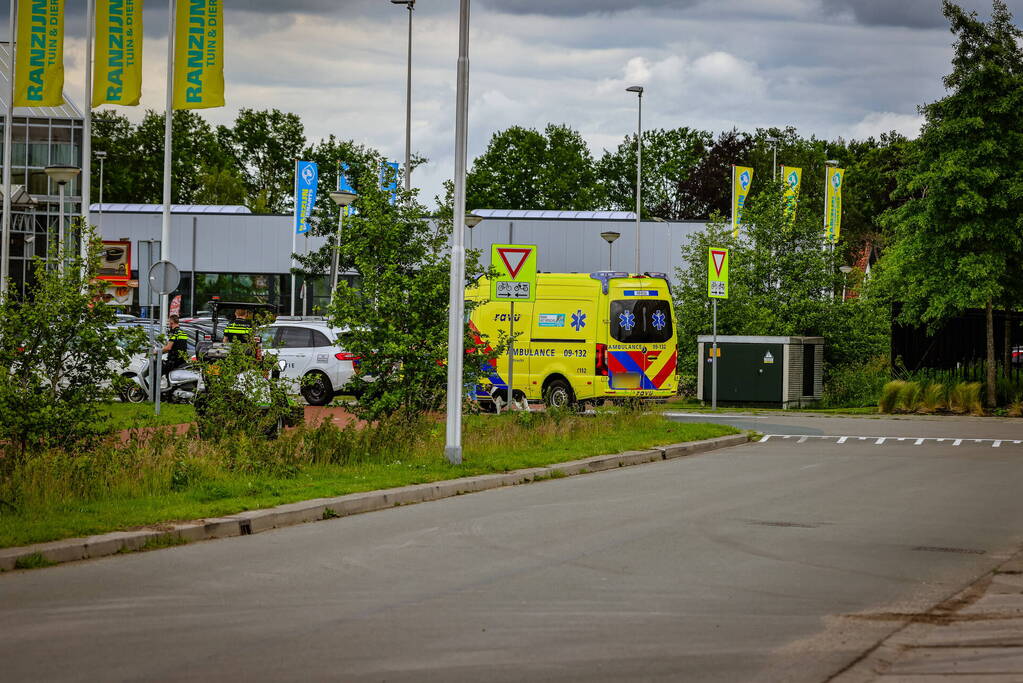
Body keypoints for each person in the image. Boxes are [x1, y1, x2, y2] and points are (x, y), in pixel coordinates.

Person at [161, 315, 189, 380]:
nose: (168, 324)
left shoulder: (174, 333)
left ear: (171, 322)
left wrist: (157, 351)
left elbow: (168, 348)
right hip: (182, 360)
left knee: (159, 373)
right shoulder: (183, 332)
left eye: (168, 322)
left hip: (173, 361)